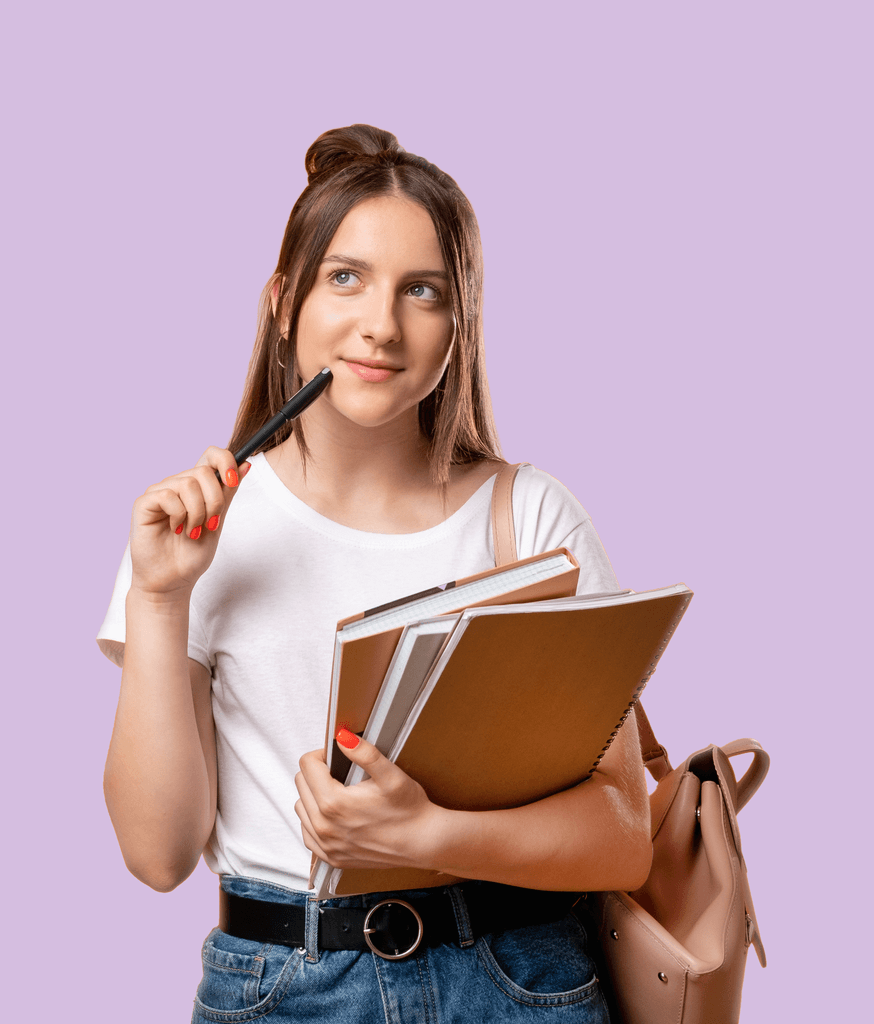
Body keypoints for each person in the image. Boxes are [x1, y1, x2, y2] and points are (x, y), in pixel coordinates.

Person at [98, 124, 652, 1023]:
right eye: (344, 277)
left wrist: (428, 835)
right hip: (285, 989)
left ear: (456, 322)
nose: (381, 325)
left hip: (521, 981)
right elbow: (159, 855)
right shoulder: (196, 533)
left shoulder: (533, 520)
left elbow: (623, 839)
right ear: (285, 301)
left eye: (422, 291)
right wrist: (162, 598)